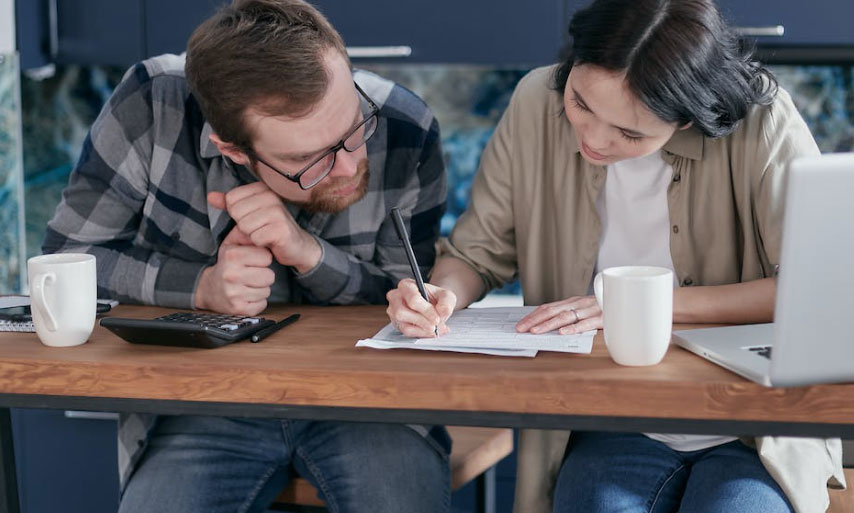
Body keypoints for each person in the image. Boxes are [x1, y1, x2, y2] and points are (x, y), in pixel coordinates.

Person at [385, 0, 845, 512]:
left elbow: (817, 293)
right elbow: (477, 253)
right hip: (609, 416)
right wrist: (444, 293)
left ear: (690, 119)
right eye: (581, 103)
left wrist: (648, 307)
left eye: (631, 133)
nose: (593, 140)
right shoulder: (538, 98)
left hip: (753, 428)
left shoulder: (764, 122)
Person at [43, 1, 450, 511]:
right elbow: (68, 258)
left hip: (373, 399)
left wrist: (306, 254)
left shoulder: (406, 127)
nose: (349, 166)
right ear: (234, 150)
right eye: (309, 159)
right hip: (198, 397)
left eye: (353, 129)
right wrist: (201, 288)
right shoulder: (151, 105)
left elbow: (405, 298)